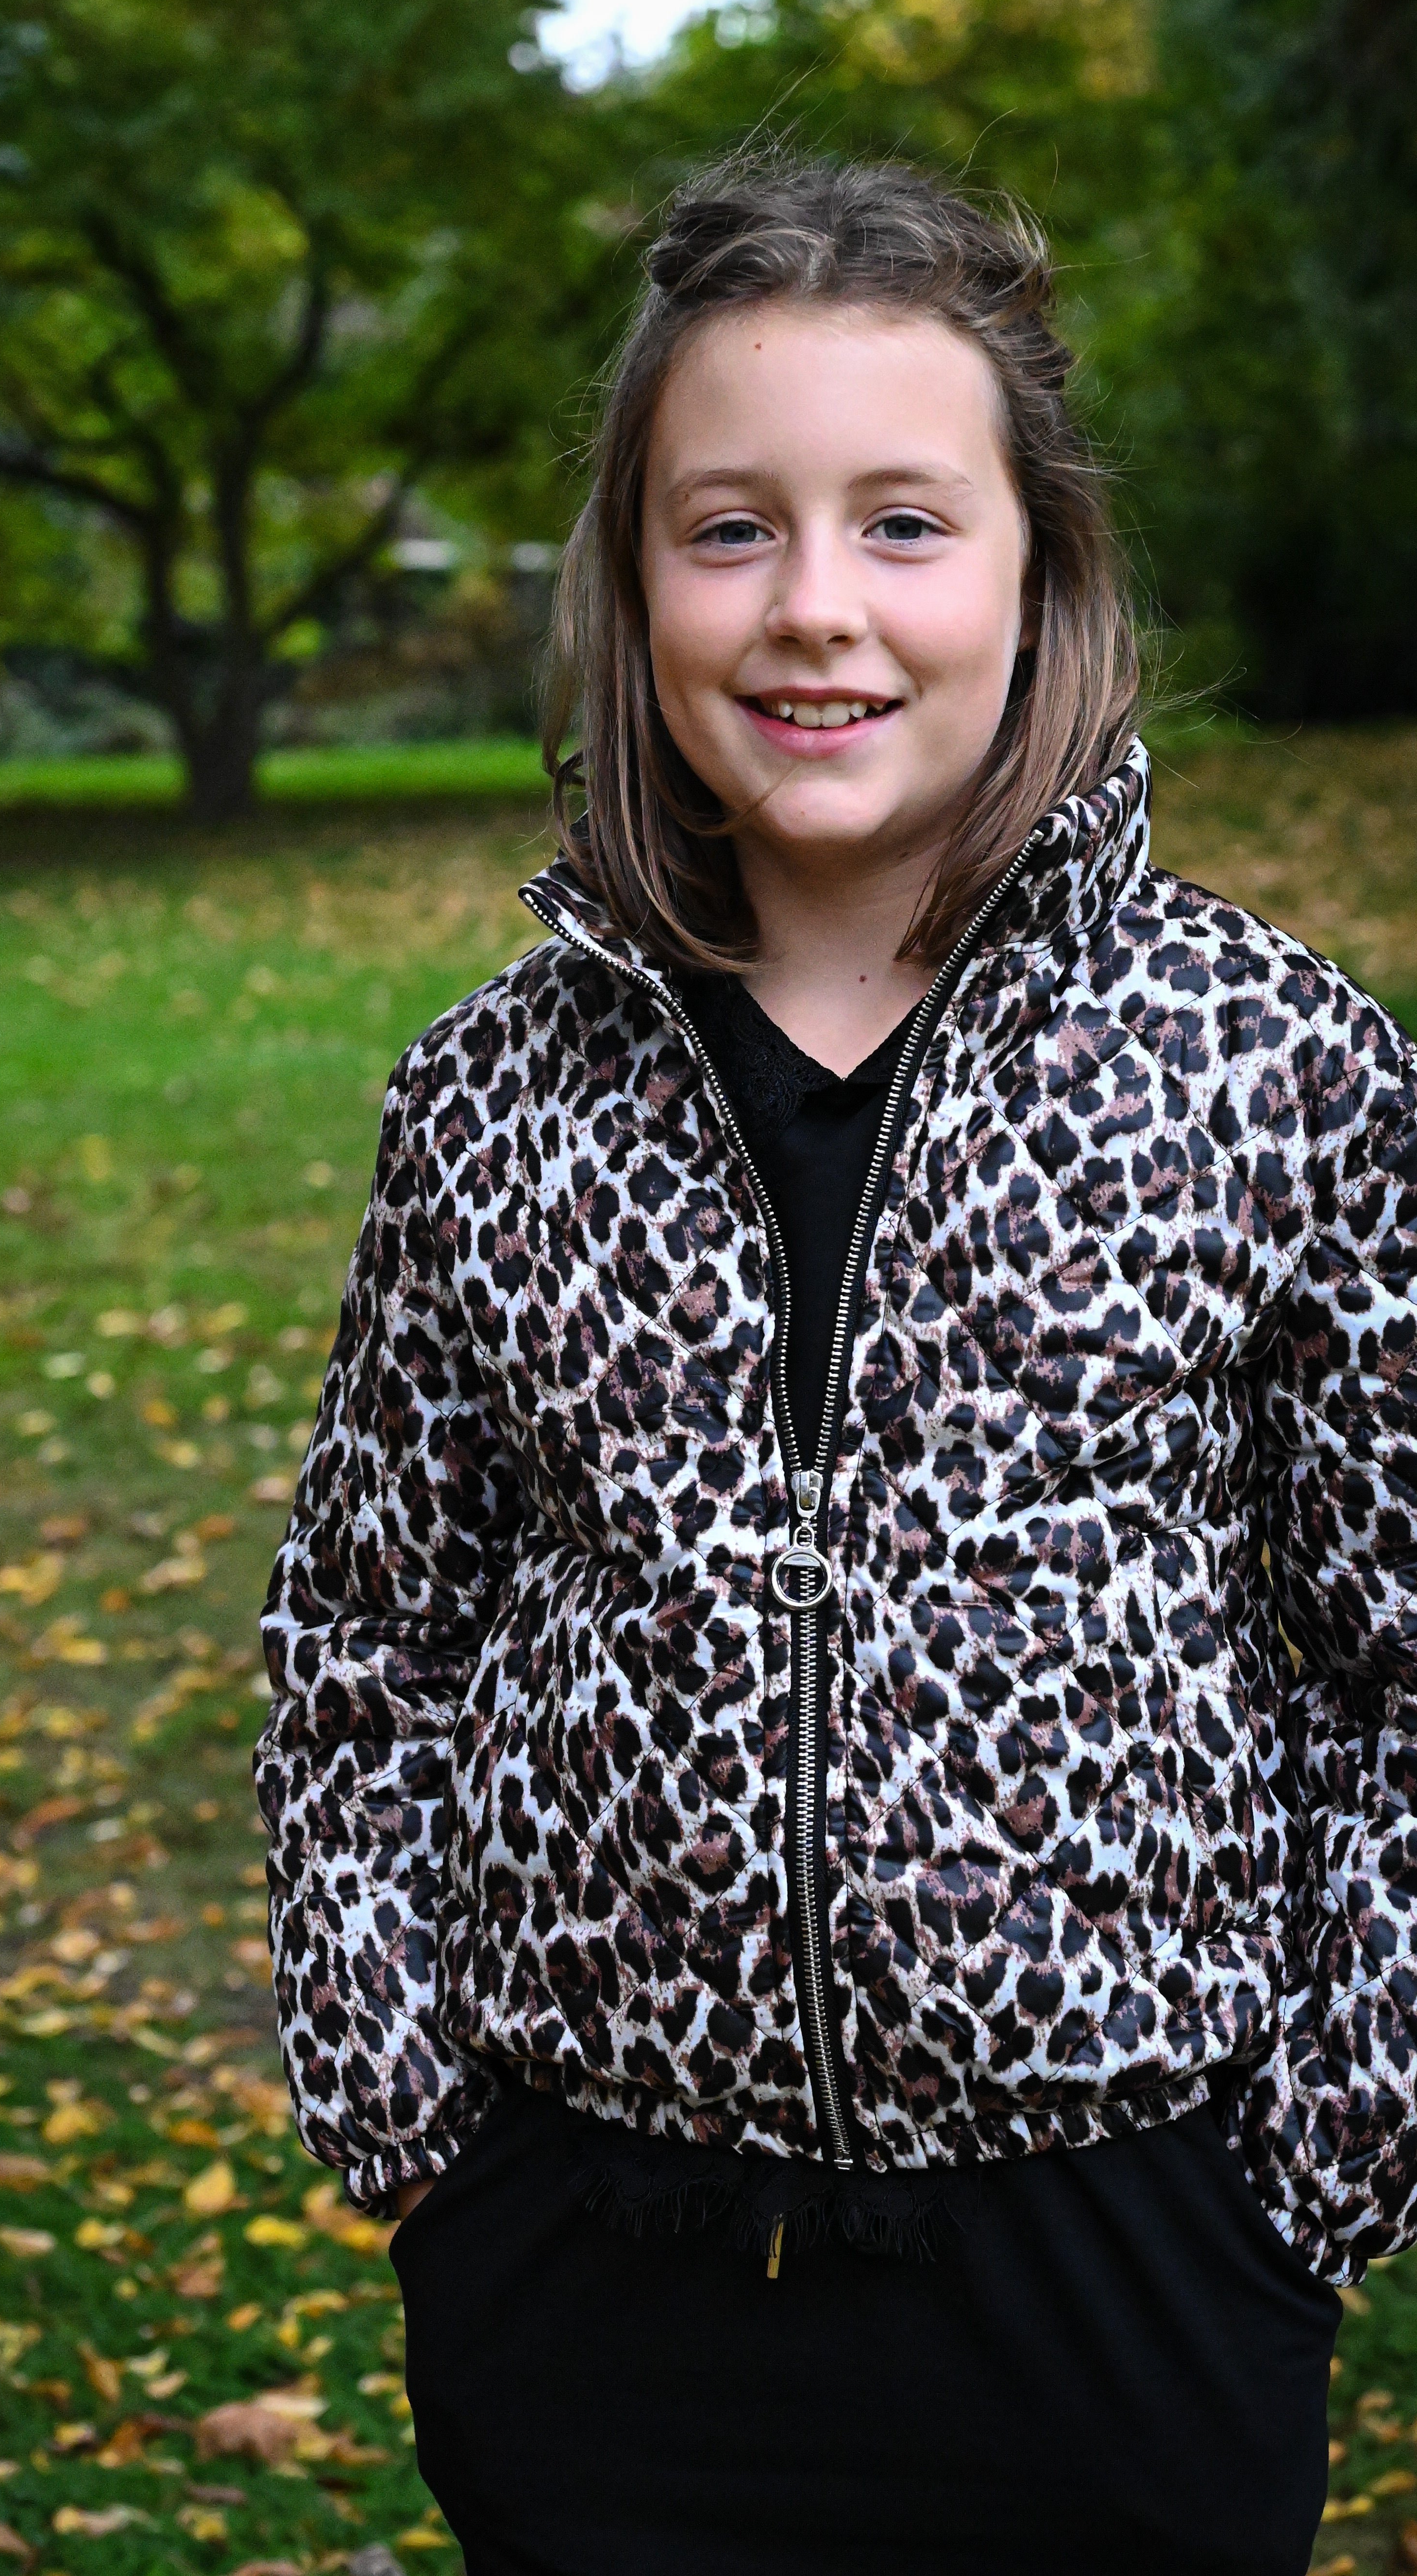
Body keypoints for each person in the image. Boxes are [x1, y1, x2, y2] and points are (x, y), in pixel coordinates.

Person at [256, 153, 1417, 2576]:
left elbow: (1394, 1666)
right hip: (591, 2280)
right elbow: (365, 1640)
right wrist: (421, 2138)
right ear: (631, 585)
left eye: (903, 524)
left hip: (1124, 2286)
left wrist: (1310, 2173)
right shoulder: (491, 1100)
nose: (813, 607)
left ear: (1038, 569)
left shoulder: (1270, 1069)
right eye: (728, 530)